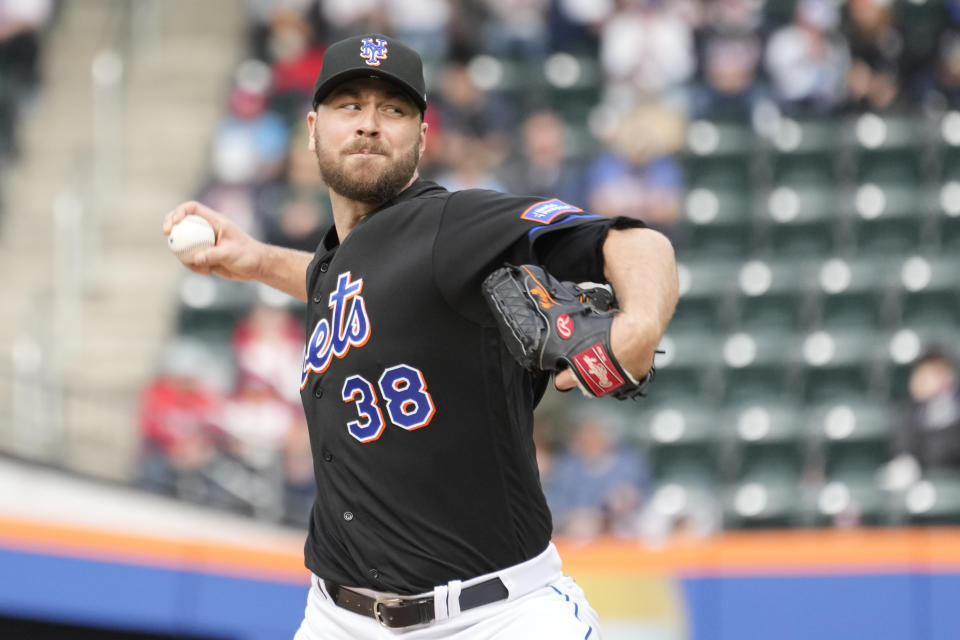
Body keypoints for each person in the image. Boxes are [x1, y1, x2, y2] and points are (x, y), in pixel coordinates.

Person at [163, 33, 677, 639]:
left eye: (394, 110)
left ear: (423, 137)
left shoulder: (452, 226)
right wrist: (256, 260)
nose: (370, 125)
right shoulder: (338, 266)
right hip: (336, 618)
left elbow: (638, 243)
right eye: (349, 105)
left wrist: (640, 325)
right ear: (312, 128)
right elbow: (361, 285)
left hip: (493, 617)